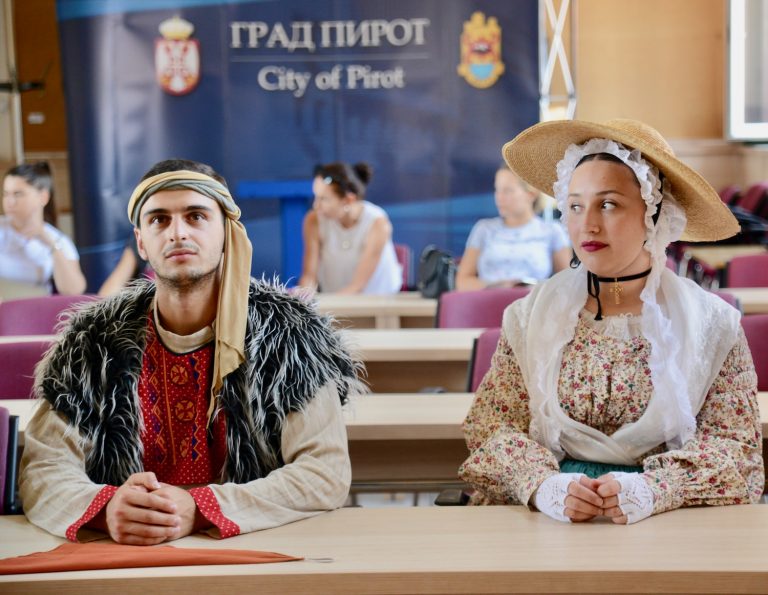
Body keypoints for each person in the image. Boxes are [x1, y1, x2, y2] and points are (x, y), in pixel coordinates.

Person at [20, 159, 363, 545]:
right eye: (159, 220)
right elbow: (43, 468)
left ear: (227, 232)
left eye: (196, 216)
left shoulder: (291, 336)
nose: (178, 233)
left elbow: (324, 471)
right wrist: (106, 508)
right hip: (128, 555)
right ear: (141, 242)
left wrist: (201, 507)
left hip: (253, 548)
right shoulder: (91, 344)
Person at [459, 119, 764, 524]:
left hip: (669, 523)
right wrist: (543, 486)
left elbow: (736, 448)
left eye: (608, 204)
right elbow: (492, 427)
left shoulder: (712, 324)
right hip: (549, 522)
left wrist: (655, 489)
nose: (588, 224)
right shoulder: (529, 316)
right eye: (574, 206)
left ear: (652, 213)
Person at [456, 165, 571, 291]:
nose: (499, 197)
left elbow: (567, 283)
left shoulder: (552, 231)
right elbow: (462, 282)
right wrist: (495, 286)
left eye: (508, 191)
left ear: (531, 195)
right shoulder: (483, 229)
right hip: (488, 300)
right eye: (497, 190)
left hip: (533, 301)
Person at [298, 162, 401, 294]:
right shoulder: (313, 220)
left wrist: (327, 305)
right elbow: (309, 276)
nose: (315, 206)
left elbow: (357, 286)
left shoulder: (378, 224)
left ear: (348, 200)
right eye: (316, 197)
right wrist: (303, 297)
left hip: (380, 302)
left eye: (324, 199)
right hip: (335, 301)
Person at [1, 162, 86, 295]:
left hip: (35, 305)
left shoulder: (58, 240)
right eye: (6, 194)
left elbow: (74, 290)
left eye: (18, 194)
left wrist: (51, 245)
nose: (10, 202)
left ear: (43, 197)